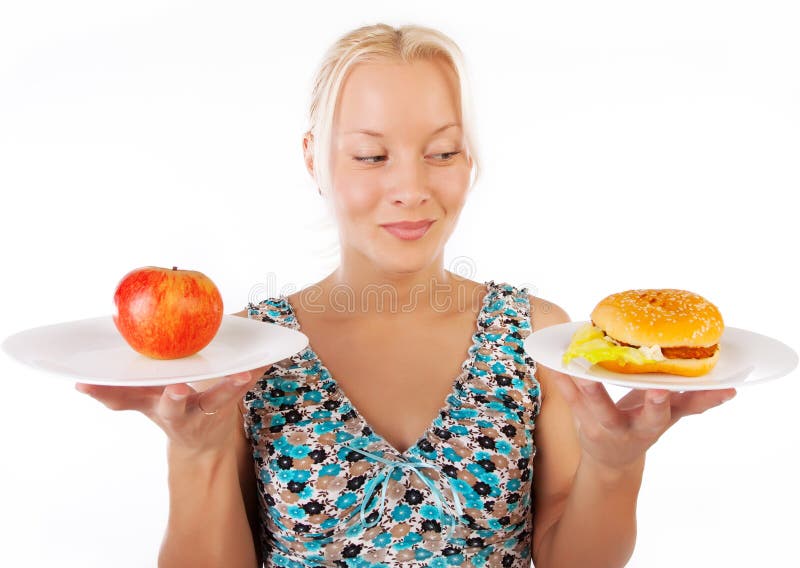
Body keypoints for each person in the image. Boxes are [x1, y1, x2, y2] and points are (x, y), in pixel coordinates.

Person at [76, 22, 736, 568]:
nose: (413, 187)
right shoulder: (251, 351)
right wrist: (197, 454)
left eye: (442, 153)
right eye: (371, 156)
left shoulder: (535, 334)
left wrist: (615, 467)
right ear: (314, 159)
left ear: (469, 160)